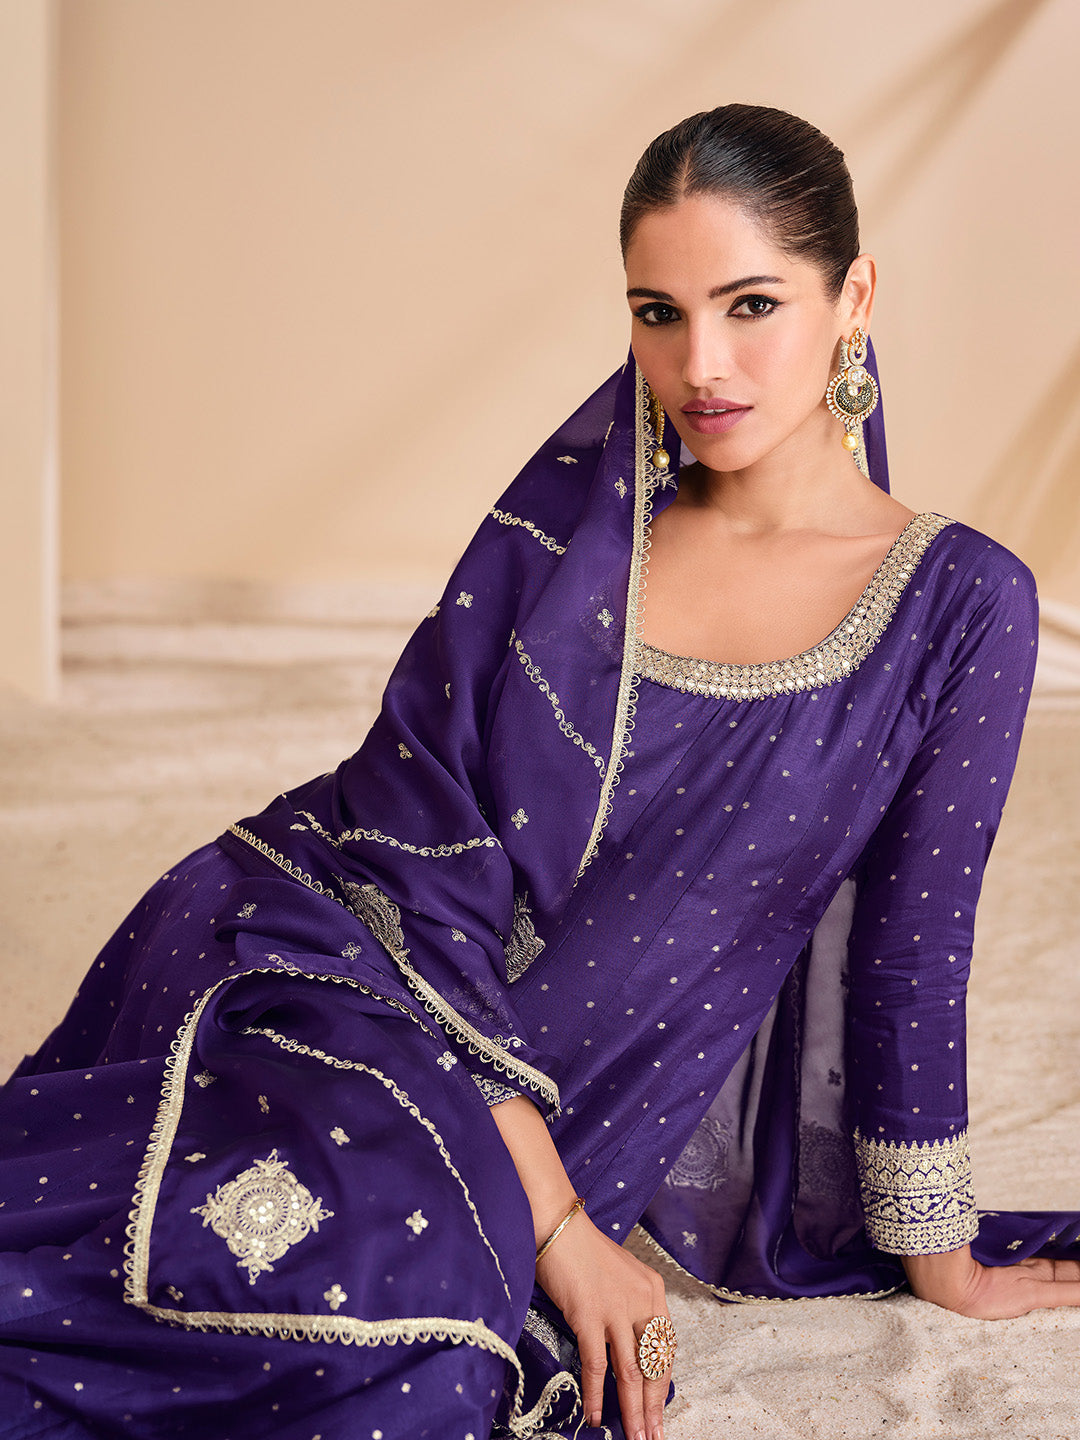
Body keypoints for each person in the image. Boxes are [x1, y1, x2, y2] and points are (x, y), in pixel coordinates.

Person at [2, 103, 1079, 1440]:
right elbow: (404, 866)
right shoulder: (575, 545)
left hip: (536, 1108)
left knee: (415, 1356)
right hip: (333, 965)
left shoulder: (959, 605)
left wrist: (941, 1255)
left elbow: (912, 955)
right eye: (658, 312)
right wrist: (561, 1225)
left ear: (855, 295)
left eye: (751, 305)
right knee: (255, 1274)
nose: (701, 364)